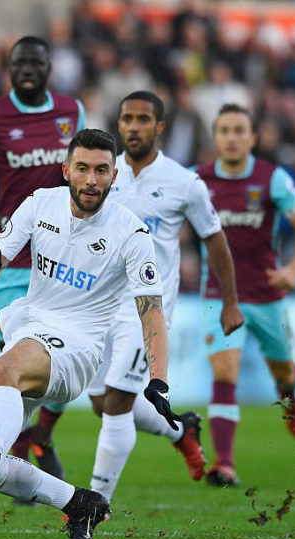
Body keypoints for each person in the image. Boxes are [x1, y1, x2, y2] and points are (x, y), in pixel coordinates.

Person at [0, 129, 177, 539]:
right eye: (82, 169)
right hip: (30, 331)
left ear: (113, 175)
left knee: (4, 370)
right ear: (66, 170)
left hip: (79, 348)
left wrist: (158, 378)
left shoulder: (131, 233)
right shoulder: (39, 204)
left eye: (101, 170)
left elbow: (151, 309)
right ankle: (80, 503)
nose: (91, 180)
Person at [87, 91, 245, 502]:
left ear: (159, 127)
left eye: (143, 120)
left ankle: (92, 506)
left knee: (120, 400)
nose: (133, 127)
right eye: (126, 119)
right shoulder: (102, 173)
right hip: (98, 304)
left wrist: (229, 301)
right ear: (118, 124)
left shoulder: (184, 182)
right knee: (103, 404)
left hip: (147, 308)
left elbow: (215, 240)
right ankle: (180, 429)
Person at [0, 35, 85, 481]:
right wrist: (5, 220)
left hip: (62, 258)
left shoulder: (72, 113)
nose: (27, 69)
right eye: (18, 63)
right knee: (16, 363)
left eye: (36, 62)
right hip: (8, 264)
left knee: (63, 365)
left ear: (50, 67)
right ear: (8, 68)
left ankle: (38, 437)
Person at [197, 103, 295, 487]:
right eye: (224, 130)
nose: (231, 137)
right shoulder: (196, 181)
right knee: (225, 370)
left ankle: (288, 392)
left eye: (239, 130)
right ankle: (225, 462)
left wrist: (293, 269)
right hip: (218, 293)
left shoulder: (272, 179)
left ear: (253, 138)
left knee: (282, 370)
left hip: (267, 294)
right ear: (215, 138)